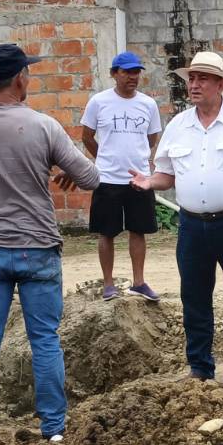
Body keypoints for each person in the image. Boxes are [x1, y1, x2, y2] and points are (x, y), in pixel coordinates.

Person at [0, 44, 100, 445]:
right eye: (28, 73)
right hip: (37, 248)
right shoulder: (43, 126)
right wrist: (60, 169)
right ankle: (54, 428)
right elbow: (90, 177)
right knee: (45, 340)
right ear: (20, 78)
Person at [129, 51, 223, 382]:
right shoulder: (178, 126)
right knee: (195, 299)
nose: (194, 85)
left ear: (220, 85)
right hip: (192, 226)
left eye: (202, 79)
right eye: (191, 79)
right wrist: (149, 182)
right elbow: (166, 175)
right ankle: (200, 369)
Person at [80, 51, 163, 302]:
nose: (132, 77)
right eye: (127, 72)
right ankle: (109, 284)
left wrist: (136, 158)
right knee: (106, 232)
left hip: (139, 179)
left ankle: (139, 282)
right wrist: (105, 158)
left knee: (138, 230)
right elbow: (86, 136)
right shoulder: (99, 102)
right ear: (114, 74)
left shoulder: (148, 104)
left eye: (136, 72)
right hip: (107, 179)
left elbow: (151, 138)